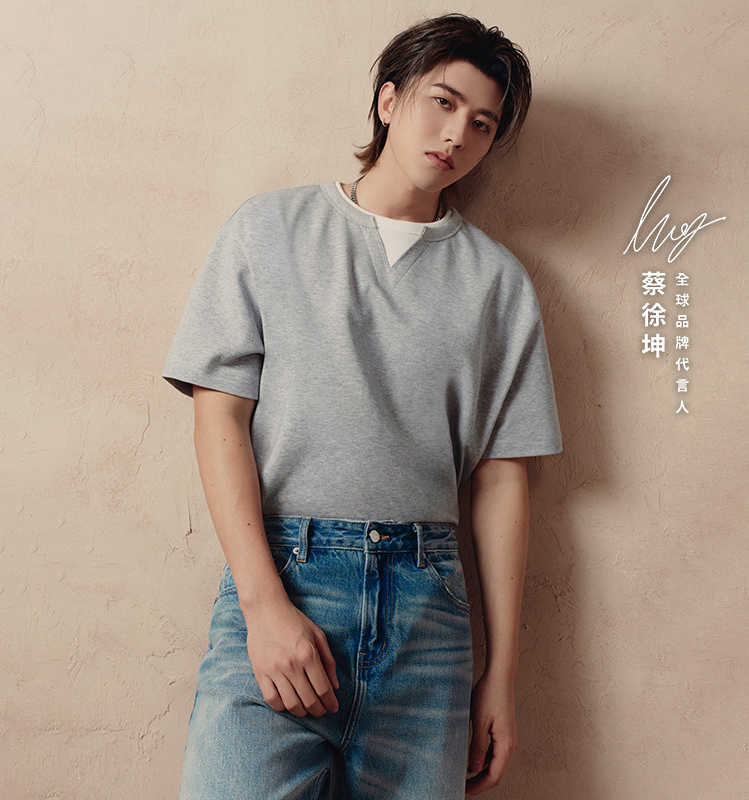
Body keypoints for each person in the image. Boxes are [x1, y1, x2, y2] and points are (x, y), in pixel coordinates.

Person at [163, 12, 561, 800]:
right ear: (388, 100)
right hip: (287, 576)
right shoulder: (267, 230)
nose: (457, 134)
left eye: (482, 124)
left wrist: (500, 674)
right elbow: (219, 417)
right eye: (443, 102)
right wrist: (264, 606)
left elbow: (501, 479)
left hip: (428, 612)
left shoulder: (498, 282)